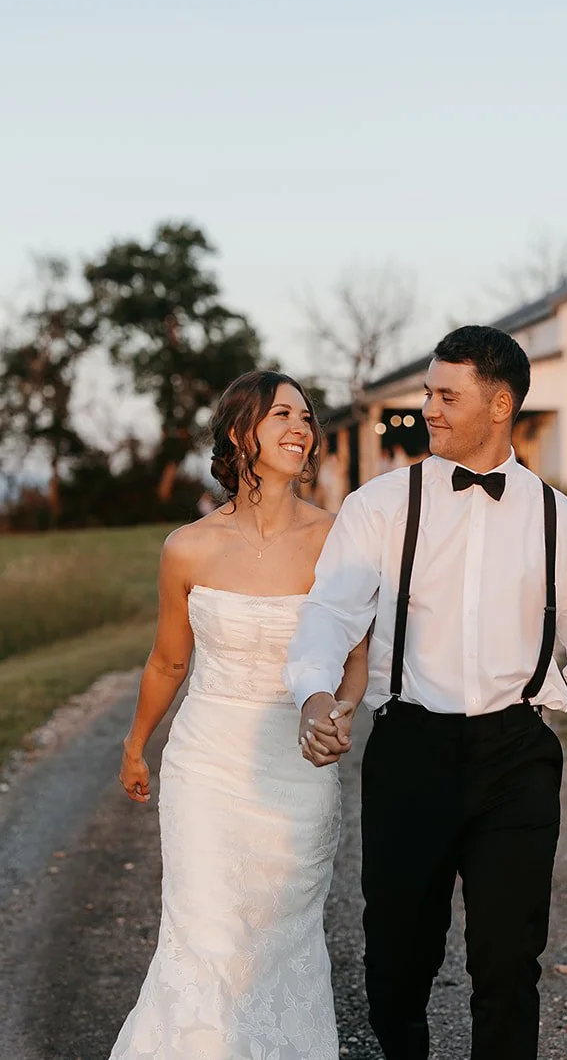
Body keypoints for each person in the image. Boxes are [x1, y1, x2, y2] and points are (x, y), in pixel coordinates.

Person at [285, 325, 567, 1060]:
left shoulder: (560, 520)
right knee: (397, 962)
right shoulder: (380, 506)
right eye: (427, 394)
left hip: (516, 757)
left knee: (509, 965)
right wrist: (316, 693)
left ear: (500, 403)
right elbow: (330, 614)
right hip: (411, 749)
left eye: (446, 395)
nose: (429, 410)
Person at [110, 370, 368, 1060]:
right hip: (206, 764)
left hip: (296, 768)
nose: (301, 428)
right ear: (237, 432)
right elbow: (168, 661)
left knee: (279, 935)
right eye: (282, 413)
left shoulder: (339, 538)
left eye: (307, 417)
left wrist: (338, 714)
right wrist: (136, 743)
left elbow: (355, 658)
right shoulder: (187, 547)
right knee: (205, 934)